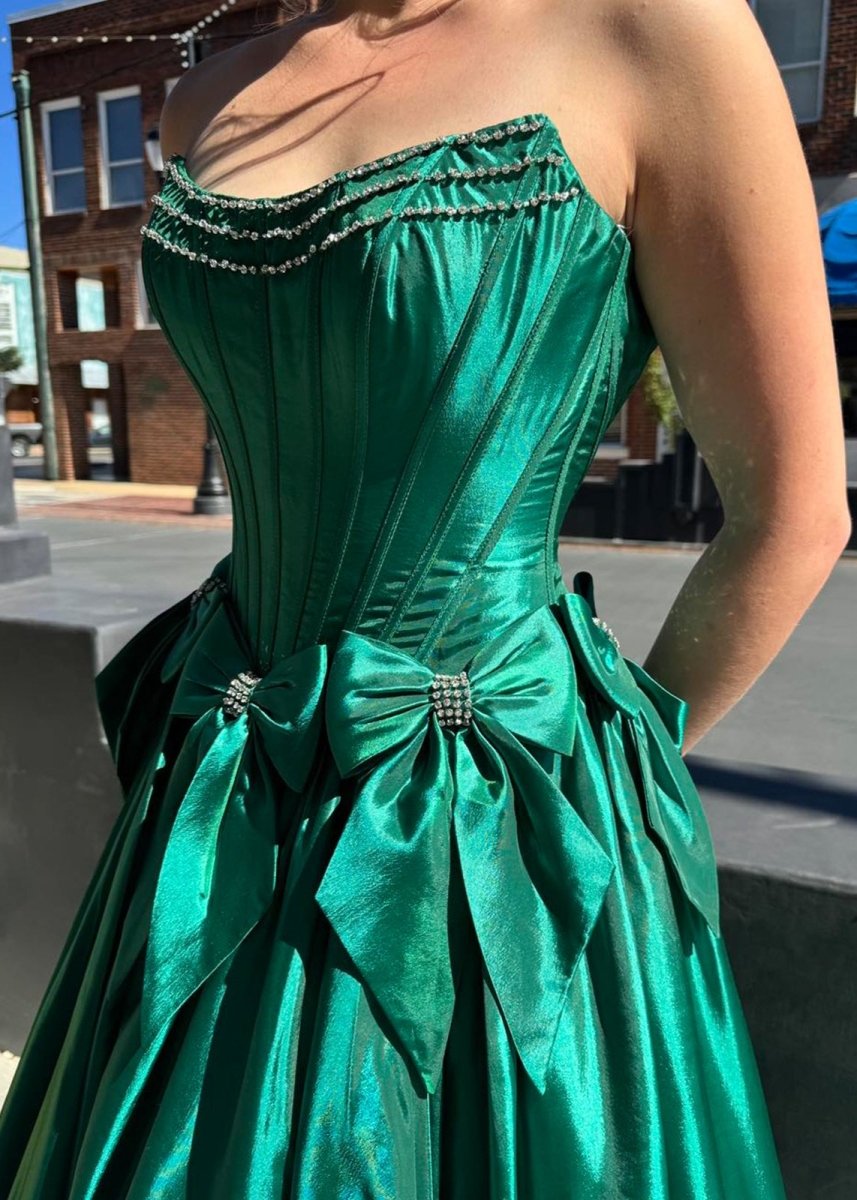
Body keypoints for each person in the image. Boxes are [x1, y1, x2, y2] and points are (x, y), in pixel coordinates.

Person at [0, 0, 848, 1195]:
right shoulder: (206, 96)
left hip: (492, 813)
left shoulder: (655, 34)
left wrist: (601, 780)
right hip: (224, 779)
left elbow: (792, 514)